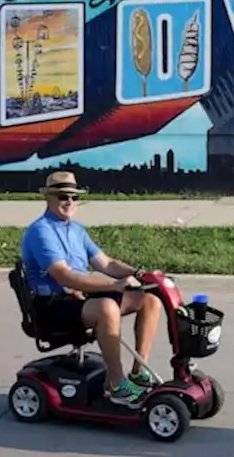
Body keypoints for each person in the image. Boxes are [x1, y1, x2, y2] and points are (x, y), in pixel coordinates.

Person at [20, 171, 164, 407]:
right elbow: (65, 276)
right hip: (52, 305)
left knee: (149, 299)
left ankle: (139, 373)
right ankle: (118, 385)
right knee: (107, 308)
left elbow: (106, 263)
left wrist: (139, 274)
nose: (69, 202)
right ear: (48, 198)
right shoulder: (41, 231)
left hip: (78, 299)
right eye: (62, 196)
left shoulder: (76, 230)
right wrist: (115, 285)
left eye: (74, 197)